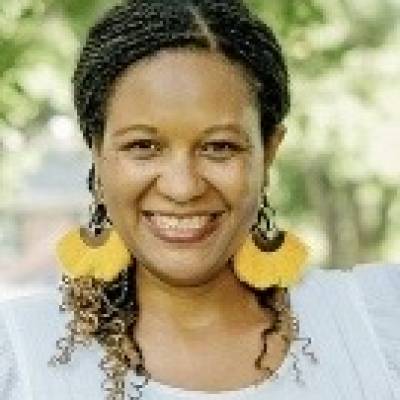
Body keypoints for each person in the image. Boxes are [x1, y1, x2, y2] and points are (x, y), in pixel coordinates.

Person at [0, 1, 399, 399]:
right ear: (97, 152)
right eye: (143, 146)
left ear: (269, 152)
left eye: (219, 147)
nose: (183, 187)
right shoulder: (17, 356)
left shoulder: (378, 323)